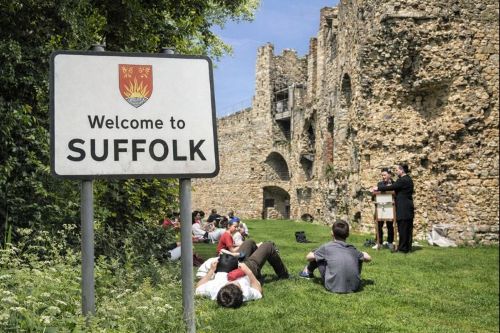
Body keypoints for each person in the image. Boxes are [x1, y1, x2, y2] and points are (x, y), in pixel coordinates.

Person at [196, 239, 289, 308]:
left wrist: (211, 270)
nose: (232, 280)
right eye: (236, 283)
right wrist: (248, 272)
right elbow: (258, 290)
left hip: (229, 264)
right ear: (241, 291)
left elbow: (198, 286)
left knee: (249, 243)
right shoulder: (246, 293)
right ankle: (284, 275)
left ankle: (254, 253)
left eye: (229, 282)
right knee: (268, 246)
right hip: (245, 270)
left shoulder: (212, 290)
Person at [299, 219, 372, 293]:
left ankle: (307, 272)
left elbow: (308, 257)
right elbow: (368, 258)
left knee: (318, 256)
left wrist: (315, 251)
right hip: (354, 287)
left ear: (332, 233)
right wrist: (361, 253)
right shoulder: (352, 249)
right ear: (348, 235)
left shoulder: (326, 247)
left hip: (332, 287)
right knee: (359, 258)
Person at [372, 164, 414, 253]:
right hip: (407, 207)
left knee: (403, 228)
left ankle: (402, 249)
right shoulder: (408, 179)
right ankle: (407, 247)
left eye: (397, 170)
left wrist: (378, 188)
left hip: (403, 208)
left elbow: (391, 187)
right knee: (407, 229)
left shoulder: (403, 180)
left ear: (402, 170)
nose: (396, 171)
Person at [372, 167, 395, 250]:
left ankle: (390, 242)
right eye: (382, 175)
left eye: (384, 175)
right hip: (380, 208)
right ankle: (379, 242)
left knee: (390, 226)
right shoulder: (379, 184)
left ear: (389, 175)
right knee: (379, 226)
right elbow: (376, 195)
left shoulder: (394, 184)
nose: (383, 177)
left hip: (390, 208)